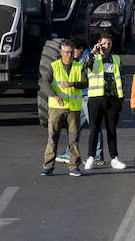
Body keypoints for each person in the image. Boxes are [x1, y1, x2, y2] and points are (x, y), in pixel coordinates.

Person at [82, 32, 127, 171]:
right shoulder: (93, 58)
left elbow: (121, 79)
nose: (107, 46)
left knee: (111, 130)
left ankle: (114, 158)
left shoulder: (116, 59)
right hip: (96, 98)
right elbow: (82, 65)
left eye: (109, 43)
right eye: (104, 43)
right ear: (99, 44)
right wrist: (93, 52)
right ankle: (90, 157)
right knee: (94, 129)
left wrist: (120, 99)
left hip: (112, 99)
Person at [43, 41, 88, 176]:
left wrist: (72, 83)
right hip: (57, 108)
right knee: (52, 137)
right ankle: (48, 166)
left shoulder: (78, 67)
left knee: (73, 139)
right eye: (67, 52)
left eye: (71, 52)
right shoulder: (54, 66)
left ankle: (74, 166)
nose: (69, 55)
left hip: (73, 109)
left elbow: (85, 83)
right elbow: (45, 82)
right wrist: (54, 95)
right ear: (61, 53)